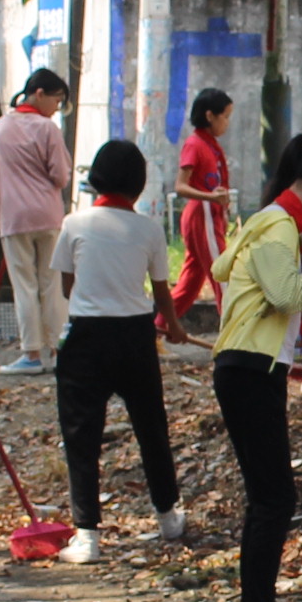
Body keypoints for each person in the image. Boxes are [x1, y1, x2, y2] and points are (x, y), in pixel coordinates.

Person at [213, 137, 302, 602]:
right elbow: (286, 294)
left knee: (270, 494)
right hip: (247, 369)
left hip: (254, 366)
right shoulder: (277, 224)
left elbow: (277, 314)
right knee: (274, 496)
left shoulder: (277, 224)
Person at [51, 139, 192, 558]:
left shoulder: (73, 224)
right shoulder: (149, 229)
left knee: (81, 435)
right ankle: (168, 517)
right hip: (135, 336)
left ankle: (88, 534)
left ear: (96, 178)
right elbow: (162, 294)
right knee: (151, 428)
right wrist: (174, 326)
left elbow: (66, 284)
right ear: (139, 184)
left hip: (86, 338)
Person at [0, 67, 75, 374]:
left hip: (14, 217)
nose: (57, 108)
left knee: (24, 286)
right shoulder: (47, 130)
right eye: (56, 100)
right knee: (51, 283)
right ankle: (59, 353)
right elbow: (60, 175)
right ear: (40, 94)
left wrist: (9, 190)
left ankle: (31, 354)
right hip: (48, 215)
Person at [170, 87, 236, 318]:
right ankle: (232, 335)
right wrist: (211, 198)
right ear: (210, 116)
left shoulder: (210, 145)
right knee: (223, 274)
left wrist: (222, 208)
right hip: (202, 215)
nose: (227, 123)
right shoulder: (195, 144)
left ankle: (158, 326)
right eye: (225, 117)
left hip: (210, 214)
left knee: (191, 281)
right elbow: (180, 185)